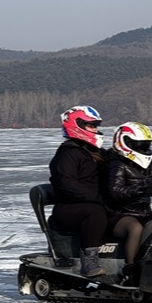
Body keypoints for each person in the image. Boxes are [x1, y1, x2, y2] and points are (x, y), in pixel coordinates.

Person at [106, 122, 152, 285]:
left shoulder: (145, 164)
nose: (143, 150)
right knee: (135, 228)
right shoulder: (117, 164)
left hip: (142, 211)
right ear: (126, 143)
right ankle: (130, 270)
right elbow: (115, 191)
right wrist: (139, 190)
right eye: (139, 146)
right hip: (119, 215)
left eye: (145, 146)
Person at [48, 105, 110, 278]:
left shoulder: (95, 152)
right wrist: (98, 197)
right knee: (95, 212)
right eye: (91, 126)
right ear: (78, 126)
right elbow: (66, 185)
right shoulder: (67, 154)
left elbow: (115, 166)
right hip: (68, 209)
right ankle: (89, 262)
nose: (96, 130)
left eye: (96, 126)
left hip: (90, 203)